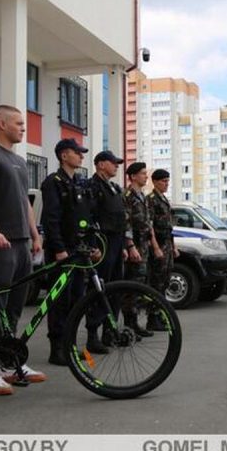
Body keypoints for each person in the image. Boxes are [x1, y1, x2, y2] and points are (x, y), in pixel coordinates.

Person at [0, 104, 45, 395]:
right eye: (18, 123)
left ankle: (6, 363)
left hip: (22, 243)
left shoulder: (19, 161)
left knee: (14, 308)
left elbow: (25, 202)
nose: (23, 128)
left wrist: (35, 235)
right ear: (1, 124)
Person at [40, 138, 90, 365]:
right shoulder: (53, 182)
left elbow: (83, 218)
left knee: (76, 300)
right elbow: (51, 219)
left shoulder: (78, 183)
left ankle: (70, 345)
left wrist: (90, 246)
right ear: (64, 155)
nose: (81, 156)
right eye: (77, 152)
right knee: (60, 300)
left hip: (78, 251)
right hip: (61, 252)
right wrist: (59, 248)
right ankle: (57, 348)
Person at [84, 150, 128, 353]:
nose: (116, 166)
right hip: (103, 243)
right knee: (99, 288)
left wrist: (125, 246)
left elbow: (121, 219)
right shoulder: (93, 187)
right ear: (101, 164)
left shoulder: (113, 187)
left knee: (115, 289)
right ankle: (92, 335)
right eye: (113, 162)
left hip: (116, 243)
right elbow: (89, 218)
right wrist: (93, 245)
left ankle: (110, 332)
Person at [122, 162, 159, 337]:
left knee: (140, 285)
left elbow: (148, 223)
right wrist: (130, 246)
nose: (146, 176)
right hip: (134, 246)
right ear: (133, 176)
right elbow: (126, 223)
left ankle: (135, 323)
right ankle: (129, 325)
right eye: (143, 173)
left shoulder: (142, 196)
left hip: (143, 245)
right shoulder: (128, 195)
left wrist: (153, 243)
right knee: (131, 286)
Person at [146, 169, 180, 330]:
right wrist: (155, 247)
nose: (166, 184)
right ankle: (152, 318)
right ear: (154, 182)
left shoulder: (164, 199)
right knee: (156, 282)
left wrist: (173, 246)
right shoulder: (151, 200)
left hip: (166, 244)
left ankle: (159, 314)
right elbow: (150, 226)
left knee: (165, 281)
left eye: (167, 181)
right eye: (163, 181)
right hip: (158, 245)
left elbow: (168, 227)